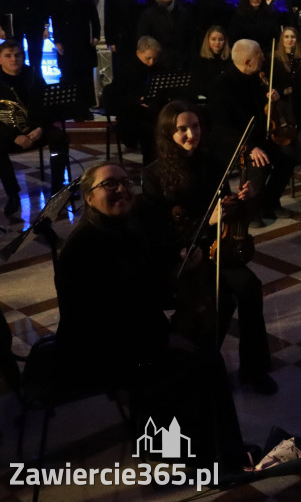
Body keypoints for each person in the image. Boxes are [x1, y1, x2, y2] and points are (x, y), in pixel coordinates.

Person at [56, 161, 248, 468]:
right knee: (202, 361)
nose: (122, 189)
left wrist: (182, 262)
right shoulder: (84, 246)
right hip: (100, 350)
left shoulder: (125, 228)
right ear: (89, 198)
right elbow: (105, 318)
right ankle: (207, 456)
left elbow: (144, 287)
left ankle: (217, 448)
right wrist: (163, 339)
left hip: (129, 336)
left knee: (203, 350)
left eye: (126, 182)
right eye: (109, 184)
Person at [141, 100, 277, 394]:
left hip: (216, 249)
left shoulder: (212, 163)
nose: (191, 134)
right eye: (182, 129)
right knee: (220, 298)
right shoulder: (153, 175)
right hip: (184, 256)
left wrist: (240, 200)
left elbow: (224, 209)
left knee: (250, 286)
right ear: (168, 133)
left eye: (195, 126)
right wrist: (208, 221)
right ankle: (200, 365)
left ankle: (254, 368)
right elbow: (159, 230)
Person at [207, 39, 297, 224]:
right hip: (233, 142)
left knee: (288, 155)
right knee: (259, 163)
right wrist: (249, 147)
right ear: (247, 62)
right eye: (259, 55)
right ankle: (248, 209)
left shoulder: (256, 78)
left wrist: (271, 100)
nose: (264, 57)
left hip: (257, 138)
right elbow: (222, 127)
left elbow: (261, 112)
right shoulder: (220, 85)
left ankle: (269, 202)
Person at [0, 40, 69, 215]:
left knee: (60, 138)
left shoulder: (32, 74)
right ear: (0, 59)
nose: (13, 59)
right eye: (8, 56)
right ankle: (13, 194)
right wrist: (13, 136)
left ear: (23, 56)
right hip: (8, 134)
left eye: (17, 55)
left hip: (36, 129)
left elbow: (46, 106)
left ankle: (57, 190)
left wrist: (39, 129)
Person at [48, 0, 100, 110]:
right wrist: (57, 41)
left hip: (83, 36)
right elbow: (55, 18)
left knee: (85, 73)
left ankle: (85, 107)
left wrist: (96, 34)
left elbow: (93, 15)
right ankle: (70, 108)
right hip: (66, 38)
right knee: (69, 72)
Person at [138, 0, 195, 70]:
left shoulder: (183, 12)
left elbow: (191, 37)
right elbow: (144, 41)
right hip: (158, 64)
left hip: (183, 63)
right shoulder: (148, 15)